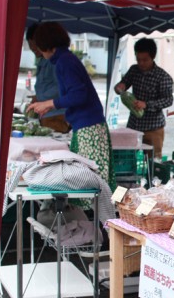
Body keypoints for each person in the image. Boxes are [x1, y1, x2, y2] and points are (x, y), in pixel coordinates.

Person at [27, 22, 116, 190]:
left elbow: (78, 95)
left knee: (91, 183)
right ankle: (92, 215)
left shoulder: (64, 62)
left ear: (46, 44)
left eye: (38, 45)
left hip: (89, 128)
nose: (37, 49)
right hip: (88, 125)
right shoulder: (65, 59)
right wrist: (49, 105)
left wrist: (50, 103)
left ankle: (97, 216)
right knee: (88, 180)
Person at [114, 38, 173, 159]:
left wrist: (146, 104)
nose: (141, 63)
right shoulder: (134, 70)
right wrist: (120, 87)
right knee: (127, 160)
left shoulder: (163, 76)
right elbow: (123, 84)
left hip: (154, 127)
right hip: (133, 125)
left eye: (145, 60)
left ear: (153, 56)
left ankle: (153, 179)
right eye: (138, 59)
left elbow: (168, 100)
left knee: (154, 163)